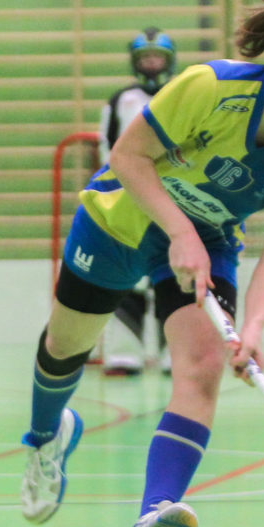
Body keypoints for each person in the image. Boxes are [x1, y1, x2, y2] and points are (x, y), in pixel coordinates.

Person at [19, 0, 264, 527]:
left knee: (204, 364)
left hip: (205, 242)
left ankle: (153, 515)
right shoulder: (212, 87)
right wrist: (177, 229)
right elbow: (130, 158)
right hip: (121, 218)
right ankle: (46, 438)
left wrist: (254, 327)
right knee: (63, 350)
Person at [98, 27, 177, 375]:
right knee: (126, 276)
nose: (151, 64)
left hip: (173, 200)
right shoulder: (120, 100)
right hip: (127, 199)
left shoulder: (180, 96)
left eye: (157, 58)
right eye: (144, 58)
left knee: (172, 275)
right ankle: (124, 353)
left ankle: (174, 353)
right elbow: (107, 145)